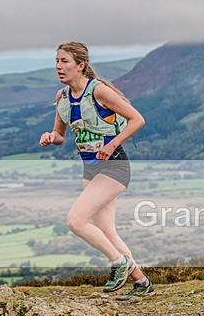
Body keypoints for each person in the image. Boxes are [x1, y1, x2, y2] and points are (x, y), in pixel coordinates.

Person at [39, 42, 153, 301]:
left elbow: (137, 119)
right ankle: (142, 282)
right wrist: (51, 137)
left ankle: (119, 262)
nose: (58, 66)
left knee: (75, 221)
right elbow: (60, 134)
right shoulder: (62, 97)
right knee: (107, 231)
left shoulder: (99, 91)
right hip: (90, 169)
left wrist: (112, 144)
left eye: (65, 61)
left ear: (81, 65)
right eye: (57, 61)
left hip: (114, 166)